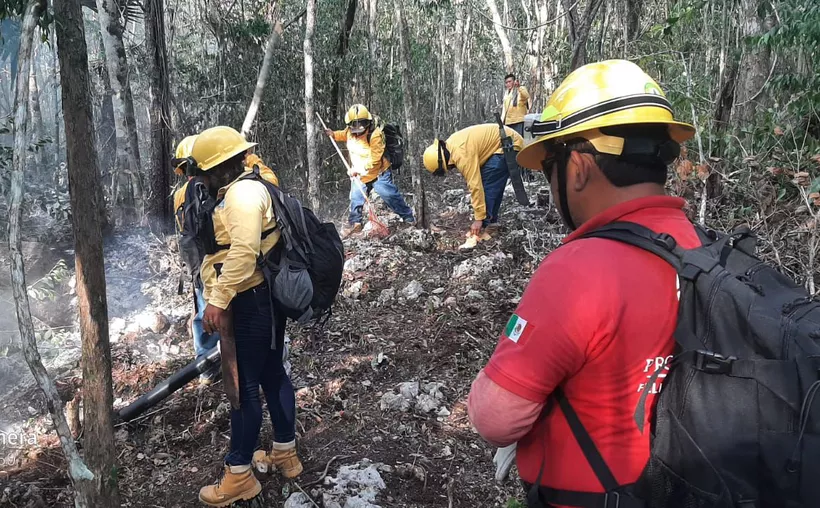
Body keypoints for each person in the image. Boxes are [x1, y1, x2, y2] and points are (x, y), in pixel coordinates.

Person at [466, 59, 699, 508]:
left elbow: (495, 417)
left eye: (547, 168)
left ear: (576, 168)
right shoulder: (705, 251)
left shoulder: (578, 271)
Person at [191, 126, 302, 506]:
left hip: (248, 299)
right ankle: (284, 453)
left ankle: (238, 473)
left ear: (219, 168)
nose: (200, 181)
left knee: (243, 386)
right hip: (259, 297)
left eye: (203, 173)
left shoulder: (241, 194)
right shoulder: (247, 187)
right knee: (272, 373)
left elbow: (242, 251)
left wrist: (218, 299)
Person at [172, 137, 283, 386]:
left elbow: (242, 249)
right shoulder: (230, 189)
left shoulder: (233, 193)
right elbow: (271, 182)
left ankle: (209, 367)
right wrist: (253, 161)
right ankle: (215, 365)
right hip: (220, 274)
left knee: (209, 319)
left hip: (228, 277)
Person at [172, 135, 221, 385]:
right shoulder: (214, 188)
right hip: (213, 262)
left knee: (204, 312)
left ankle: (207, 367)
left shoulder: (180, 195)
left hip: (198, 267)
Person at [324, 103, 415, 237]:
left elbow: (375, 160)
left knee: (390, 195)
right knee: (356, 198)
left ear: (368, 122)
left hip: (379, 173)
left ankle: (408, 217)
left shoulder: (375, 135)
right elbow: (344, 134)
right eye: (354, 124)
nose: (358, 127)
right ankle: (355, 224)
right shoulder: (350, 132)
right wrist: (333, 134)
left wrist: (357, 170)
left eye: (361, 123)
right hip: (360, 175)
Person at [422, 123, 524, 236]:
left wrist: (478, 219)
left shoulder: (461, 154)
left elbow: (476, 185)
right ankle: (492, 222)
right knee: (494, 184)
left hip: (508, 144)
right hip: (507, 142)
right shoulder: (451, 145)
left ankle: (484, 227)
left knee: (487, 185)